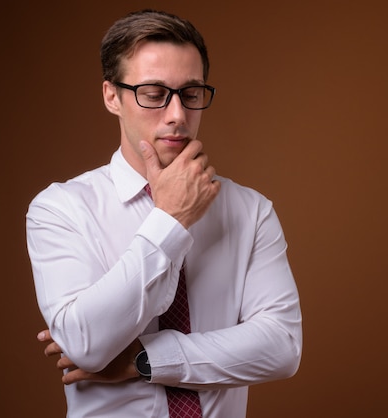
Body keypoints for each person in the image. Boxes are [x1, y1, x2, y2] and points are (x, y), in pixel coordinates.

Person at [26, 9, 302, 418]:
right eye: (154, 94)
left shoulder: (251, 211)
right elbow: (86, 344)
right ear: (111, 96)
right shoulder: (60, 208)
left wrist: (146, 360)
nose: (177, 115)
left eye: (190, 94)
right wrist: (171, 220)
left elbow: (281, 346)